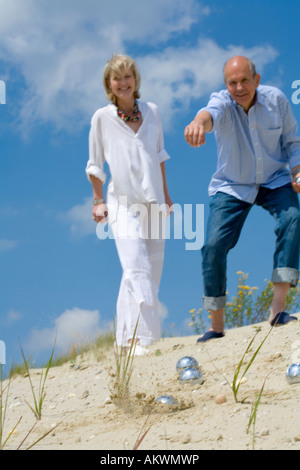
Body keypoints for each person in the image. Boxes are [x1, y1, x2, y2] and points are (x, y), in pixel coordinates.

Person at [185, 55, 300, 342]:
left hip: (274, 178)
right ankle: (216, 326)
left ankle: (278, 309)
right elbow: (207, 114)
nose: (239, 88)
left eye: (244, 81)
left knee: (293, 218)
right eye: (232, 83)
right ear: (226, 85)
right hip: (233, 184)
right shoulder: (222, 103)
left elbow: (292, 142)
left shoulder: (277, 100)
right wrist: (198, 122)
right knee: (212, 245)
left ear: (256, 79)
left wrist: (297, 171)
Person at [86, 54, 172, 354]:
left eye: (128, 77)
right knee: (136, 266)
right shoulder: (102, 118)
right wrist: (98, 201)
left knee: (151, 272)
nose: (123, 83)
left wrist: (167, 196)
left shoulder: (153, 112)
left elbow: (158, 156)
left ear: (135, 80)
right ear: (109, 84)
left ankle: (124, 340)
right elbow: (94, 163)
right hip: (121, 202)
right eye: (116, 78)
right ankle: (143, 340)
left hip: (154, 202)